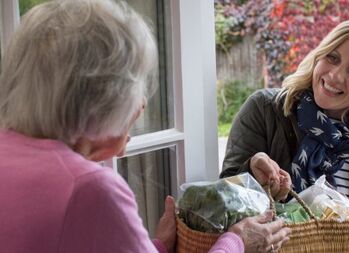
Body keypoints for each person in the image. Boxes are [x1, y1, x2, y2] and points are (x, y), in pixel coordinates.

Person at [0, 0, 290, 253]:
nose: (142, 104)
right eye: (137, 84)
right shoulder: (90, 190)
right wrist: (237, 241)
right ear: (102, 97)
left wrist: (158, 246)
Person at [221, 19, 349, 252]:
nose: (335, 76)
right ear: (319, 55)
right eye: (333, 57)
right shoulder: (264, 110)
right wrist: (252, 173)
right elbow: (223, 203)